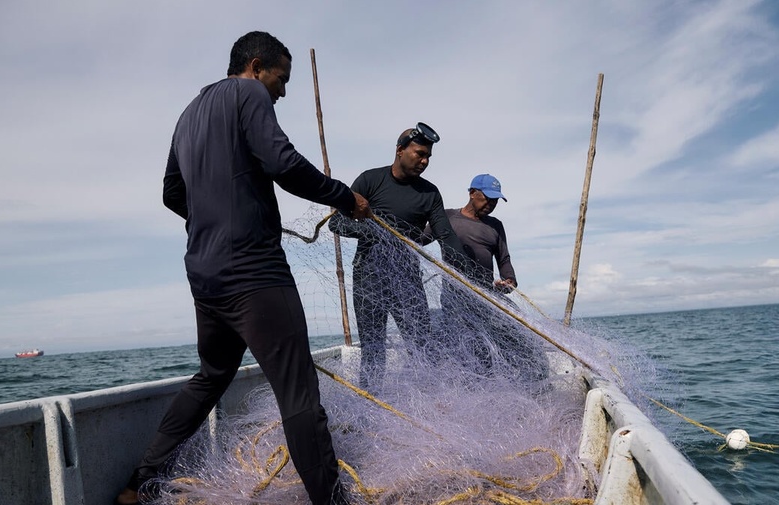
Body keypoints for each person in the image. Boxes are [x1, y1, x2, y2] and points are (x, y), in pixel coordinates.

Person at [115, 31, 369, 505]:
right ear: (255, 66)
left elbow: (172, 192)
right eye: (281, 78)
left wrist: (214, 215)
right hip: (253, 270)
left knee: (213, 375)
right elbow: (282, 161)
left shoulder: (189, 112)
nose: (283, 91)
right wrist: (342, 197)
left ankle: (137, 483)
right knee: (298, 392)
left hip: (204, 273)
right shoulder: (248, 92)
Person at [328, 123, 466, 390]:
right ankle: (371, 404)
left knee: (421, 344)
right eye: (419, 154)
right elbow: (337, 224)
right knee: (373, 347)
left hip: (407, 278)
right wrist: (377, 232)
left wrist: (466, 273)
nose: (424, 161)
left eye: (428, 157)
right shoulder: (370, 180)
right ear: (400, 150)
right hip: (369, 275)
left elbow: (446, 236)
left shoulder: (430, 193)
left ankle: (428, 400)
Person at [431, 174, 549, 384]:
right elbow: (417, 239)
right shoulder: (447, 218)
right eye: (487, 198)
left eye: (495, 201)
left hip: (486, 297)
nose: (491, 204)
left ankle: (499, 386)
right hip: (455, 298)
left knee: (504, 344)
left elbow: (504, 260)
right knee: (467, 347)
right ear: (472, 193)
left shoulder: (495, 225)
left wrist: (509, 281)